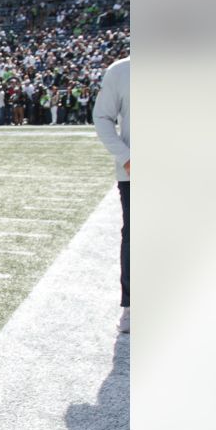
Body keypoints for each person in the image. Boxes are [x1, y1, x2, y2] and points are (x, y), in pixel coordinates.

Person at [93, 57, 130, 333]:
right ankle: (133, 304)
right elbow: (102, 116)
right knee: (135, 237)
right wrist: (126, 157)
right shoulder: (120, 70)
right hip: (136, 172)